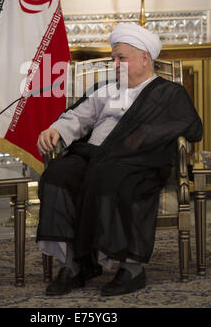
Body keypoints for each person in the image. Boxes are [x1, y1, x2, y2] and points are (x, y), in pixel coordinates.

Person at [36, 22, 203, 297]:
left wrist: (135, 140)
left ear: (145, 58)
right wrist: (56, 129)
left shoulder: (169, 93)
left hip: (138, 162)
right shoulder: (106, 90)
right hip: (93, 156)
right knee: (57, 175)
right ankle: (75, 264)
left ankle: (132, 268)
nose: (114, 63)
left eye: (121, 58)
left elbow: (189, 126)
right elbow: (78, 118)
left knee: (114, 179)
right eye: (114, 58)